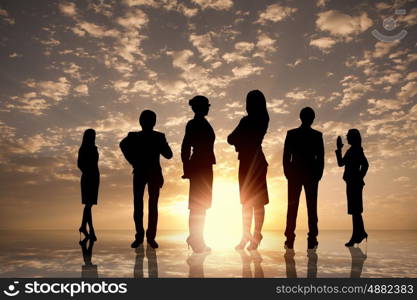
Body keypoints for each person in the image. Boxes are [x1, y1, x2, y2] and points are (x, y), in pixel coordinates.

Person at [120, 110, 173, 249]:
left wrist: (133, 161)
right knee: (144, 205)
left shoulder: (153, 137)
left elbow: (168, 155)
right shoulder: (138, 136)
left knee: (147, 205)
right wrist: (133, 161)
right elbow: (169, 154)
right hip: (144, 173)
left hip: (150, 174)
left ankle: (147, 237)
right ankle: (143, 237)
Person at [227, 90, 269, 250]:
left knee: (250, 203)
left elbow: (231, 138)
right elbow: (231, 139)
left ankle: (252, 236)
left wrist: (240, 140)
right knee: (253, 203)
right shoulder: (263, 119)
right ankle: (252, 236)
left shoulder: (247, 121)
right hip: (254, 162)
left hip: (250, 163)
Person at [283, 107, 324, 250]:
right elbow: (320, 158)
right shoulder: (316, 136)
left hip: (302, 175)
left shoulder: (293, 134)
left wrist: (288, 173)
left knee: (296, 207)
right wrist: (288, 173)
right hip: (305, 175)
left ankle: (292, 237)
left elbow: (286, 157)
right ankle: (309, 237)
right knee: (309, 207)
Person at [181, 95, 216, 253]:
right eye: (206, 105)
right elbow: (185, 146)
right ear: (200, 107)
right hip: (199, 167)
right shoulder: (193, 124)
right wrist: (187, 168)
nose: (209, 107)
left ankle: (197, 238)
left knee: (202, 206)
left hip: (205, 167)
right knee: (197, 206)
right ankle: (196, 239)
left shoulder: (202, 123)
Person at [335, 129, 369, 247]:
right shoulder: (350, 150)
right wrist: (339, 149)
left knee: (355, 210)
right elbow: (341, 163)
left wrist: (359, 177)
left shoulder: (357, 150)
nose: (347, 138)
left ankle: (357, 235)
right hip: (350, 182)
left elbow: (365, 164)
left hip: (355, 183)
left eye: (348, 136)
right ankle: (360, 233)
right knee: (355, 211)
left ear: (353, 138)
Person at [78, 129, 99, 241]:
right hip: (88, 177)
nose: (94, 137)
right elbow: (79, 164)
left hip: (95, 177)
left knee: (89, 205)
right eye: (92, 135)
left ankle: (84, 227)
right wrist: (87, 172)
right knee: (88, 204)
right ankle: (90, 229)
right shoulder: (83, 149)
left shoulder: (94, 148)